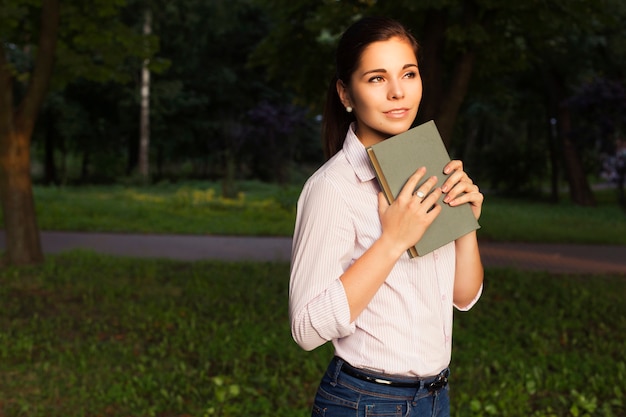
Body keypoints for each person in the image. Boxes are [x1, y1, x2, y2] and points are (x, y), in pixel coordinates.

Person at [289, 16, 484, 417]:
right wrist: (392, 241)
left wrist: (465, 225)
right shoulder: (333, 188)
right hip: (365, 402)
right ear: (346, 93)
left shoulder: (428, 166)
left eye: (408, 74)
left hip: (435, 398)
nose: (398, 92)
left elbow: (463, 297)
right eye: (377, 79)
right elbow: (306, 329)